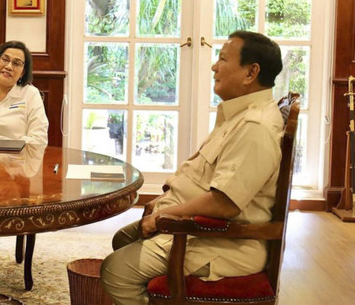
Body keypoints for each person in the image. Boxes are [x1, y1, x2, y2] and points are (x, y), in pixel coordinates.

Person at [100, 31, 284, 305]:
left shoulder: (254, 128)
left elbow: (224, 204)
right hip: (194, 227)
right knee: (123, 238)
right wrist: (163, 201)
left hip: (222, 243)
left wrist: (166, 214)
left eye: (222, 59)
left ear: (250, 72)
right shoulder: (238, 115)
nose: (214, 66)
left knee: (115, 270)